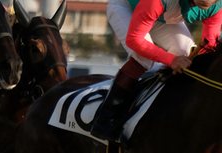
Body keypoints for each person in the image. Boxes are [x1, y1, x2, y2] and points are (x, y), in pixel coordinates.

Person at [91, 0, 222, 142]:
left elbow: (208, 45)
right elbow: (135, 40)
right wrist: (171, 60)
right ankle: (105, 118)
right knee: (142, 58)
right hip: (125, 8)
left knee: (185, 52)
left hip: (160, 16)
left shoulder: (217, 5)